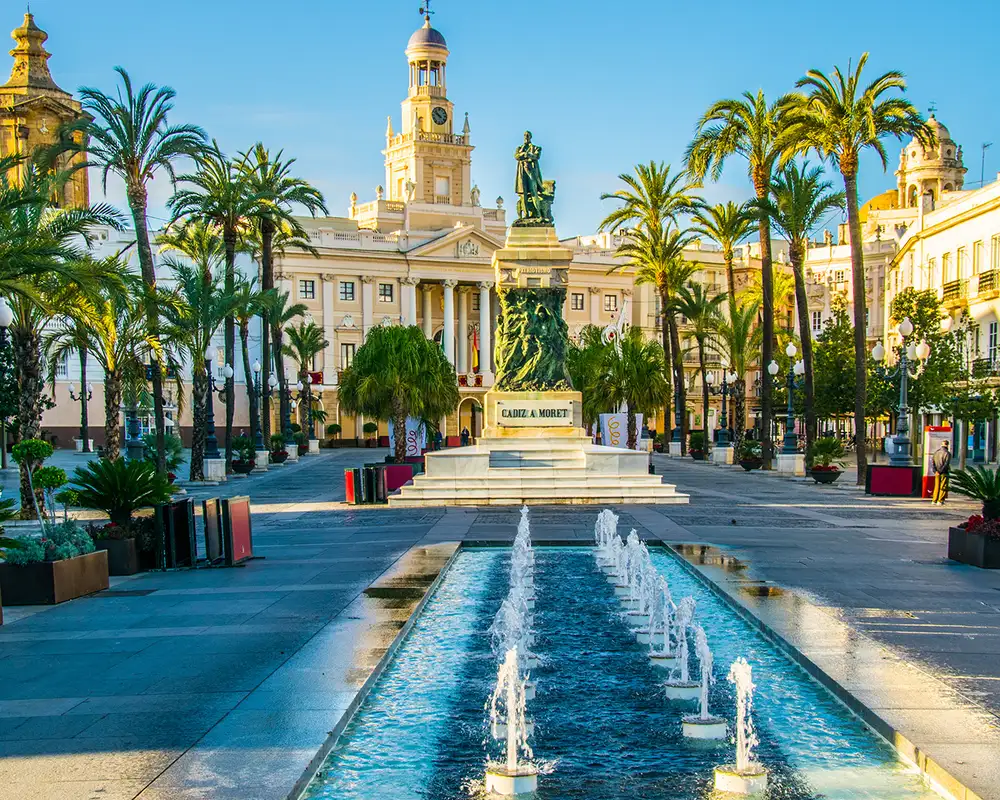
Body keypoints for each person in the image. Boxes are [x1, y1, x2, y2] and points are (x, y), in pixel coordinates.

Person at [931, 440, 951, 505]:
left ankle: (934, 500)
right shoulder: (947, 453)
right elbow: (946, 464)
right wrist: (941, 471)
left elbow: (933, 463)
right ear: (947, 445)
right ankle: (940, 500)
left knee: (936, 486)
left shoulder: (936, 452)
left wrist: (936, 471)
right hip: (944, 472)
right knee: (943, 486)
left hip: (936, 473)